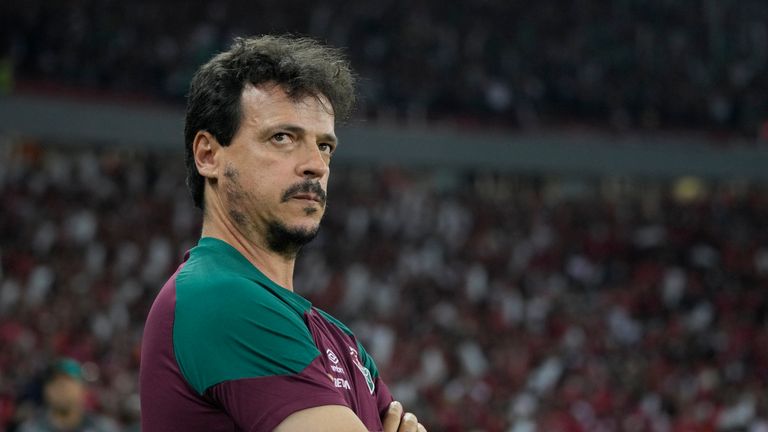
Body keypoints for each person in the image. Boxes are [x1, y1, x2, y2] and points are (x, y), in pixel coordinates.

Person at [139, 35, 427, 432]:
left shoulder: (340, 340)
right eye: (283, 138)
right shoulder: (217, 297)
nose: (315, 165)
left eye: (324, 146)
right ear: (208, 155)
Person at [17, 358, 120, 432]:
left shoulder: (104, 428)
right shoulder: (29, 429)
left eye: (69, 381)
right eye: (55, 383)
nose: (62, 388)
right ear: (46, 391)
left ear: (84, 390)